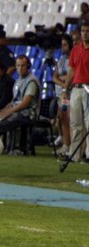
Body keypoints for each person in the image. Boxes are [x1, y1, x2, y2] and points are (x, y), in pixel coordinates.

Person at [0, 55, 41, 153]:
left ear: (28, 66)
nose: (20, 69)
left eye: (23, 66)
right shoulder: (18, 80)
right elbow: (13, 102)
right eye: (18, 66)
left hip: (28, 114)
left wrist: (8, 112)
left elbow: (25, 104)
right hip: (19, 111)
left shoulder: (32, 81)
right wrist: (3, 111)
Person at [62, 20, 89, 163]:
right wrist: (65, 88)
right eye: (83, 31)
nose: (85, 34)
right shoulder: (76, 49)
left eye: (87, 31)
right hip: (76, 88)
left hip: (88, 88)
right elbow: (71, 71)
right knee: (75, 123)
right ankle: (75, 154)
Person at [53, 34, 73, 157]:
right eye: (62, 45)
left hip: (70, 94)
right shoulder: (61, 59)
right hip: (62, 94)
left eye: (65, 44)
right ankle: (66, 145)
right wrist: (63, 83)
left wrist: (63, 82)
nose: (62, 47)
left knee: (70, 120)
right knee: (63, 118)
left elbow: (73, 76)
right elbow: (54, 76)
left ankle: (73, 146)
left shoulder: (74, 58)